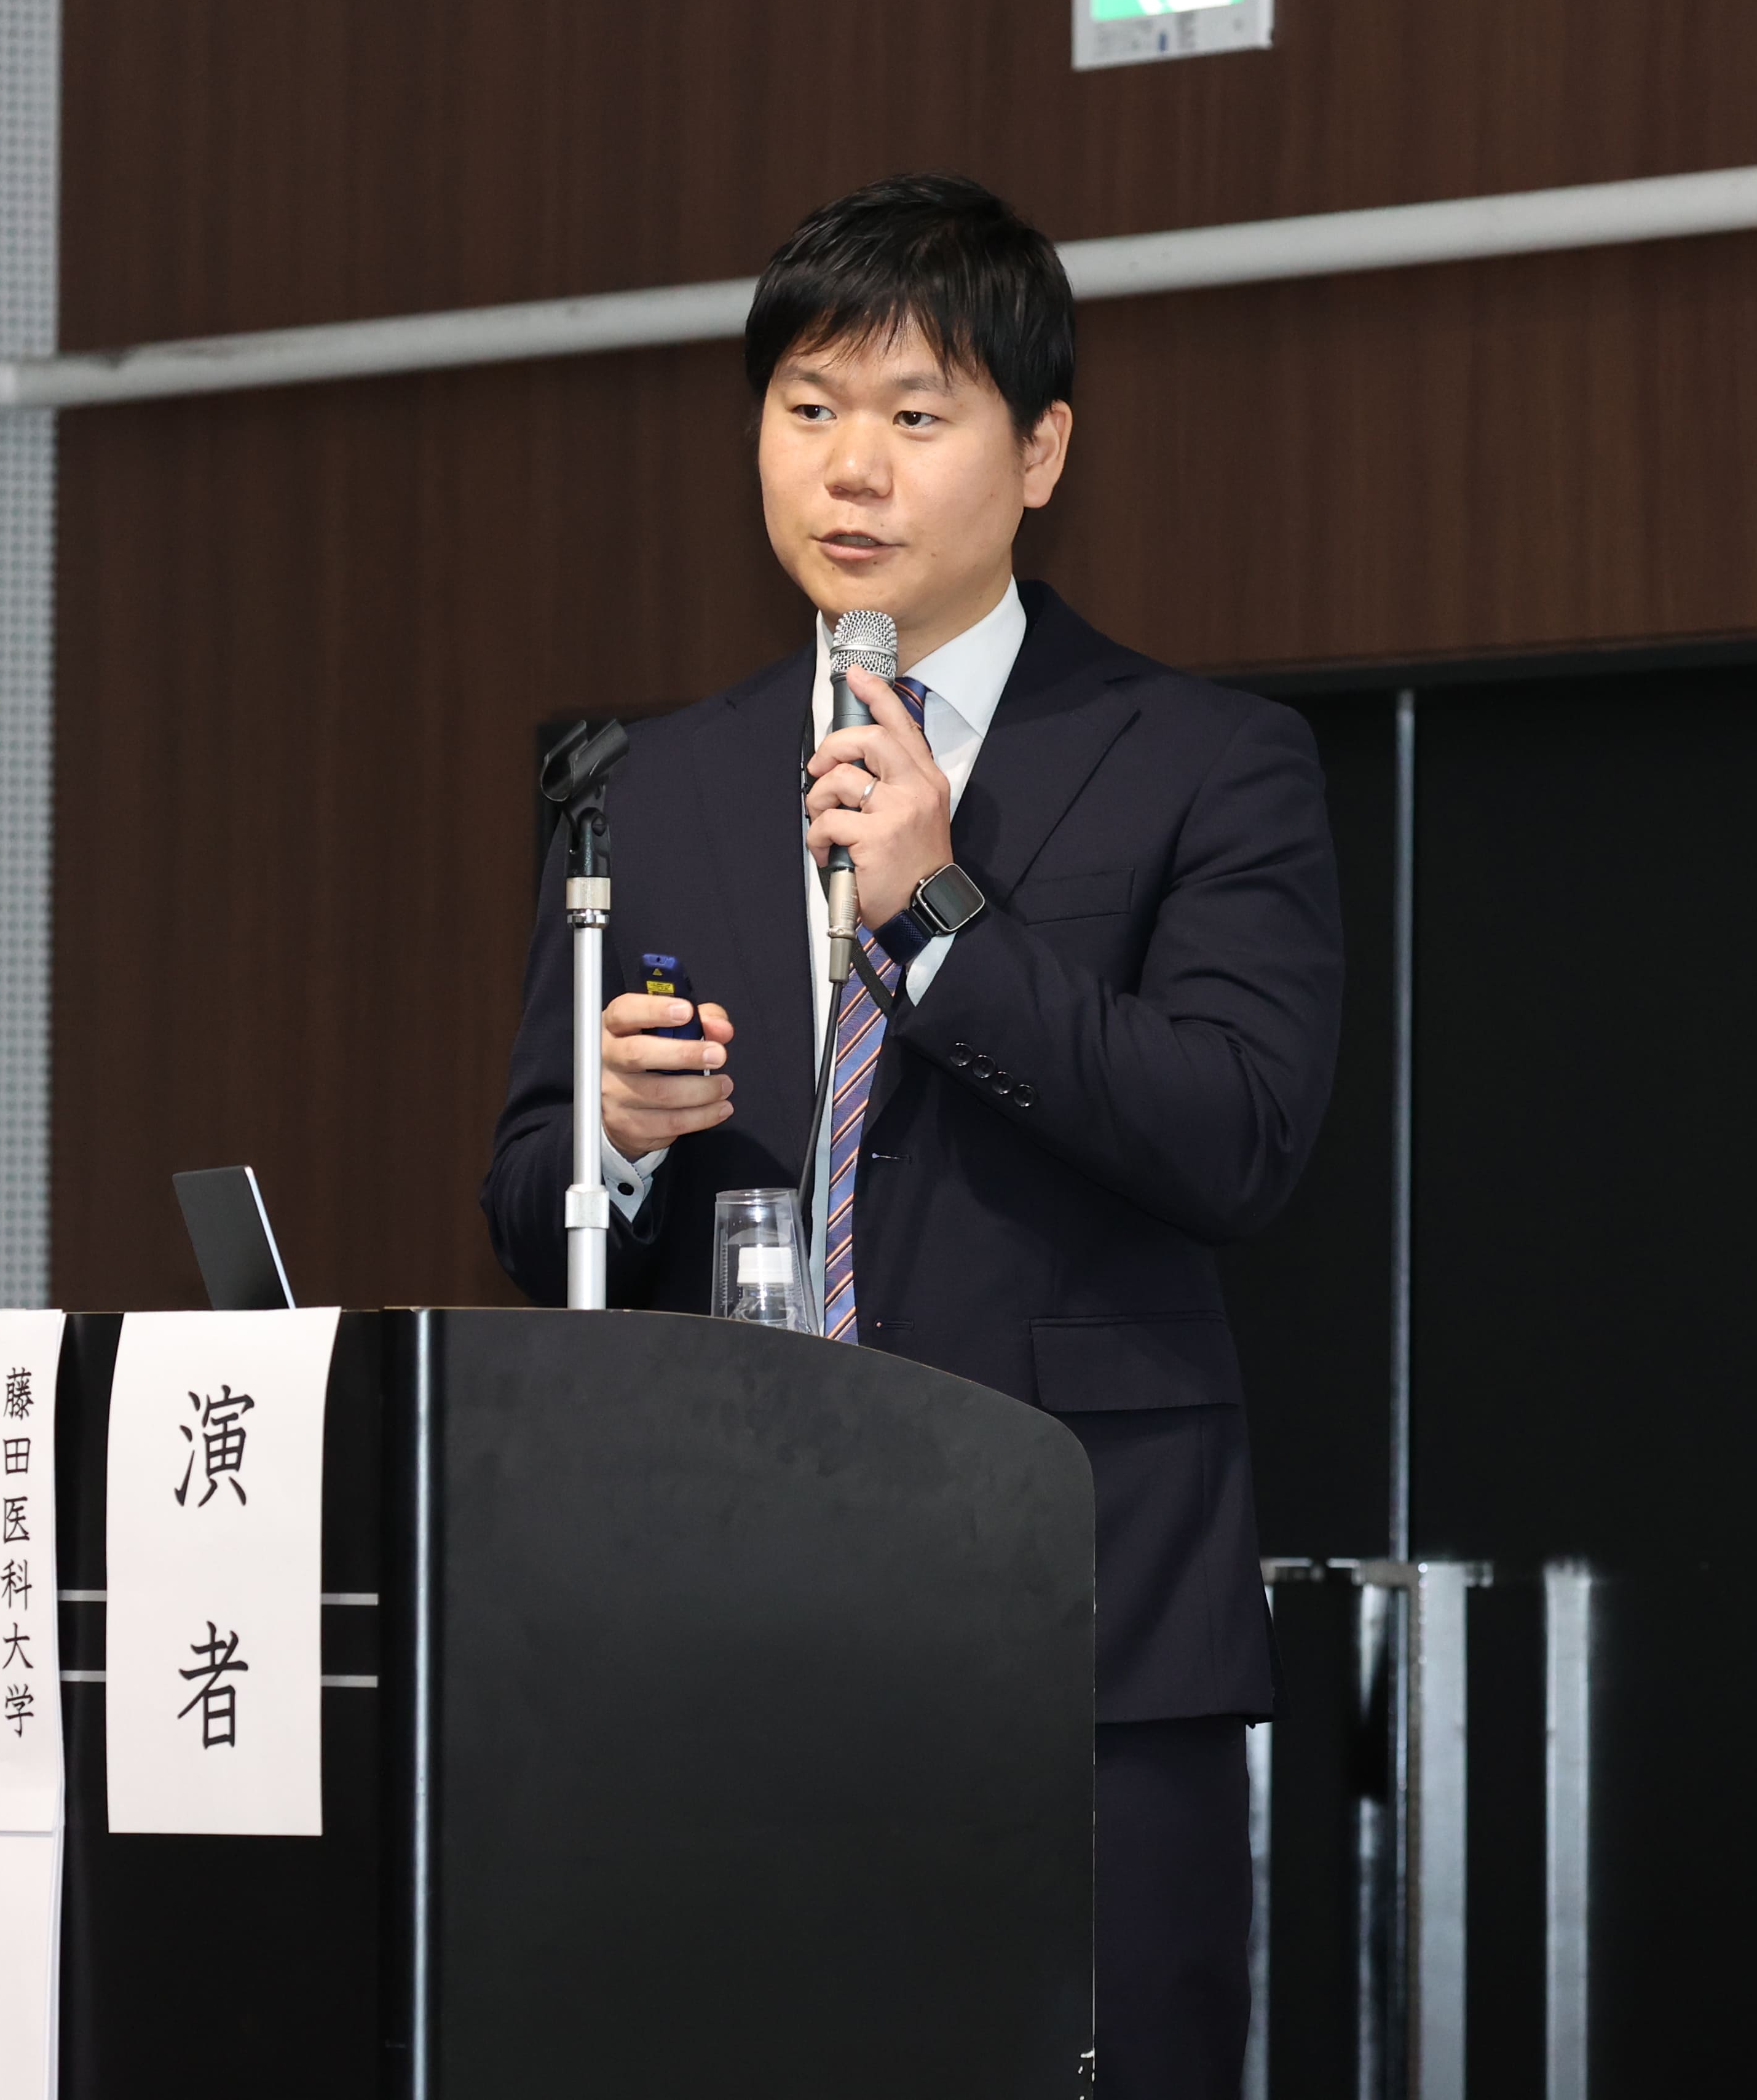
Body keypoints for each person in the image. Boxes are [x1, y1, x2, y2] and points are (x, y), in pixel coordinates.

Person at [481, 171, 1344, 2098]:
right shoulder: (651, 784)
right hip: (721, 1623)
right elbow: (531, 1205)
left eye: (912, 413)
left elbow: (1241, 1135)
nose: (848, 465)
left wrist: (942, 921)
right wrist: (614, 1139)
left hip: (1082, 1620)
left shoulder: (1205, 762)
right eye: (806, 407)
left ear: (1039, 454)